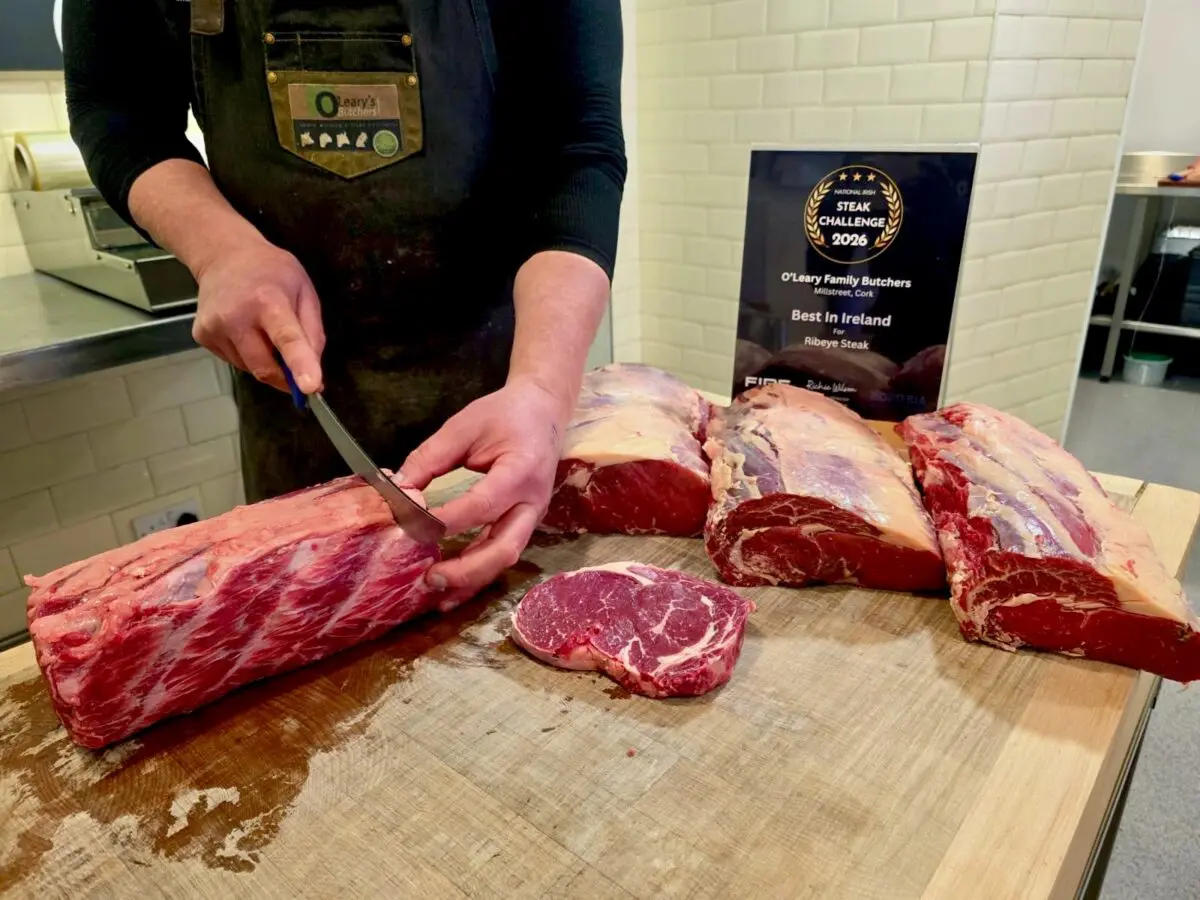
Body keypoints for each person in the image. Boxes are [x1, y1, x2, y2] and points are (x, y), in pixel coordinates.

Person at [63, 0, 626, 596]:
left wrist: (542, 391)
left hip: (498, 386)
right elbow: (116, 112)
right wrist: (221, 249)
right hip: (298, 398)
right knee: (308, 611)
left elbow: (578, 145)